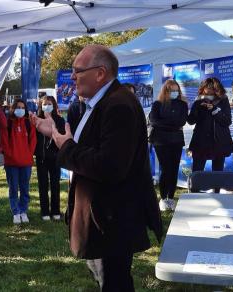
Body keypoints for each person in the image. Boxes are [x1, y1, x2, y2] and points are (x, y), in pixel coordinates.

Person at [34, 45, 162, 291]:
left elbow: (110, 166)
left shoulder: (118, 105)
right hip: (102, 217)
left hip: (111, 220)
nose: (72, 77)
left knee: (114, 282)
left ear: (100, 73)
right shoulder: (103, 102)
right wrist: (57, 137)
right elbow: (90, 149)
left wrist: (66, 146)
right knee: (107, 279)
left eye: (77, 71)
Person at [149, 79, 188, 211]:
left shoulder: (182, 104)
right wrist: (172, 124)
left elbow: (181, 122)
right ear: (166, 91)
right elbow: (154, 121)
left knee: (174, 168)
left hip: (176, 140)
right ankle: (163, 197)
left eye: (177, 90)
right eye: (172, 90)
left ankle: (171, 197)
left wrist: (165, 123)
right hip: (160, 141)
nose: (175, 93)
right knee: (165, 169)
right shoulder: (157, 104)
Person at [187, 77, 233, 172]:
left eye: (212, 87)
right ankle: (195, 187)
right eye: (207, 87)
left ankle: (216, 187)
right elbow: (191, 120)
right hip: (201, 141)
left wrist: (214, 109)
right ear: (203, 88)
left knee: (217, 172)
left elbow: (227, 121)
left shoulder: (223, 100)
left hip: (219, 141)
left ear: (217, 89)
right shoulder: (198, 101)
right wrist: (197, 108)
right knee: (197, 171)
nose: (209, 90)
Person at [1, 99, 37, 224]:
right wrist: (11, 156)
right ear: (13, 108)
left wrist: (28, 154)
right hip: (11, 163)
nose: (20, 109)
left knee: (25, 188)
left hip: (26, 162)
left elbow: (33, 141)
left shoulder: (28, 123)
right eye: (18, 107)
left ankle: (23, 210)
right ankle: (15, 212)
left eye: (23, 107)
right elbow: (4, 142)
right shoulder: (8, 123)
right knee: (13, 188)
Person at [35, 96, 65, 221]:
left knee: (55, 184)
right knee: (43, 184)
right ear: (41, 106)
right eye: (44, 104)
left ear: (54, 105)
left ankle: (56, 210)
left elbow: (62, 136)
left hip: (55, 157)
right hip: (41, 157)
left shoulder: (59, 120)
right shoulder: (38, 119)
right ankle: (45, 212)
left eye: (49, 104)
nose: (47, 106)